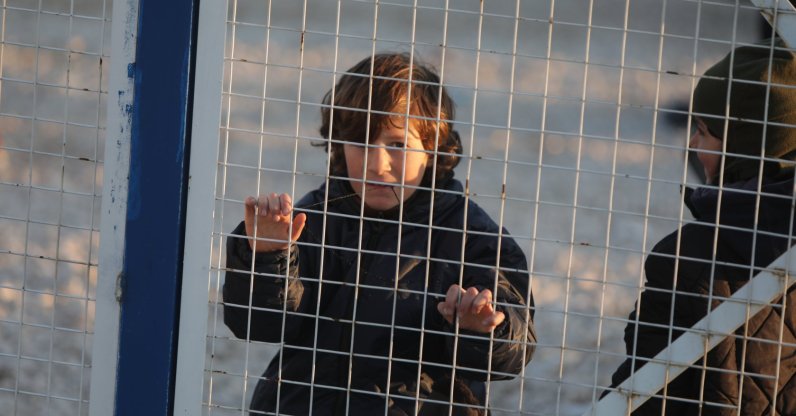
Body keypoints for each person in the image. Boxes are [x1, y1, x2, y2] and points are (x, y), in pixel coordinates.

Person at [223, 53, 536, 415]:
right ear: (338, 144)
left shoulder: (470, 233)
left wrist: (480, 328)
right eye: (360, 142)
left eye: (398, 144)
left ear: (432, 148)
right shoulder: (315, 217)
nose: (377, 164)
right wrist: (268, 255)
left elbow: (516, 351)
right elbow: (257, 325)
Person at [609, 40, 796, 414]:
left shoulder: (687, 257)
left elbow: (641, 397)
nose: (692, 143)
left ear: (746, 147)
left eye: (704, 131)